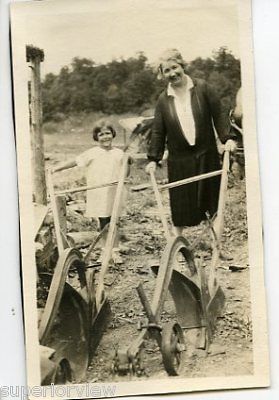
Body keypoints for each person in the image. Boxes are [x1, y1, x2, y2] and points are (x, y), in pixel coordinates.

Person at [146, 49, 237, 236]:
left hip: (206, 153)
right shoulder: (164, 100)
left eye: (175, 67)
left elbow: (218, 115)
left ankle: (215, 245)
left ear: (182, 65)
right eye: (166, 71)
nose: (172, 73)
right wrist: (154, 159)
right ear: (162, 75)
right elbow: (158, 130)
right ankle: (176, 246)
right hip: (179, 159)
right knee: (180, 204)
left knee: (212, 201)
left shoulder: (202, 88)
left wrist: (227, 139)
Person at [52, 119, 127, 263]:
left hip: (115, 191)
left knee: (115, 221)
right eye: (101, 135)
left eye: (107, 133)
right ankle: (105, 250)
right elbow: (75, 161)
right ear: (96, 137)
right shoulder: (92, 152)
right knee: (103, 221)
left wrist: (128, 163)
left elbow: (125, 173)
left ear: (113, 134)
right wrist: (57, 168)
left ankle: (115, 251)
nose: (105, 137)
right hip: (99, 192)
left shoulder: (119, 153)